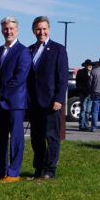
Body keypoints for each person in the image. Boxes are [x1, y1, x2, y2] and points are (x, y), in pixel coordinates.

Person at [26, 16, 69, 179]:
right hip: (34, 102)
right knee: (36, 138)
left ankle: (50, 170)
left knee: (51, 137)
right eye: (38, 29)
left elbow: (63, 77)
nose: (41, 32)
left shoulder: (58, 49)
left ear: (49, 30)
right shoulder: (29, 50)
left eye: (44, 29)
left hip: (52, 102)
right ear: (33, 30)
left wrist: (59, 99)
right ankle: (38, 168)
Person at [0, 16, 31, 182]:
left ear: (17, 30)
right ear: (2, 30)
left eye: (11, 28)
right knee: (0, 138)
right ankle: (1, 170)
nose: (8, 31)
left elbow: (20, 77)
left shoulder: (23, 51)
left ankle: (13, 172)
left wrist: (1, 93)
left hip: (15, 102)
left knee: (15, 139)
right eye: (6, 29)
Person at [75, 59, 93, 131]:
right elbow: (78, 83)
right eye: (88, 65)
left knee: (88, 111)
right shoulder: (81, 72)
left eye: (90, 65)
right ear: (85, 66)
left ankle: (86, 124)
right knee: (83, 110)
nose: (90, 66)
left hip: (91, 94)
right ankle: (82, 125)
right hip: (84, 93)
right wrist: (82, 91)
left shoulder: (93, 73)